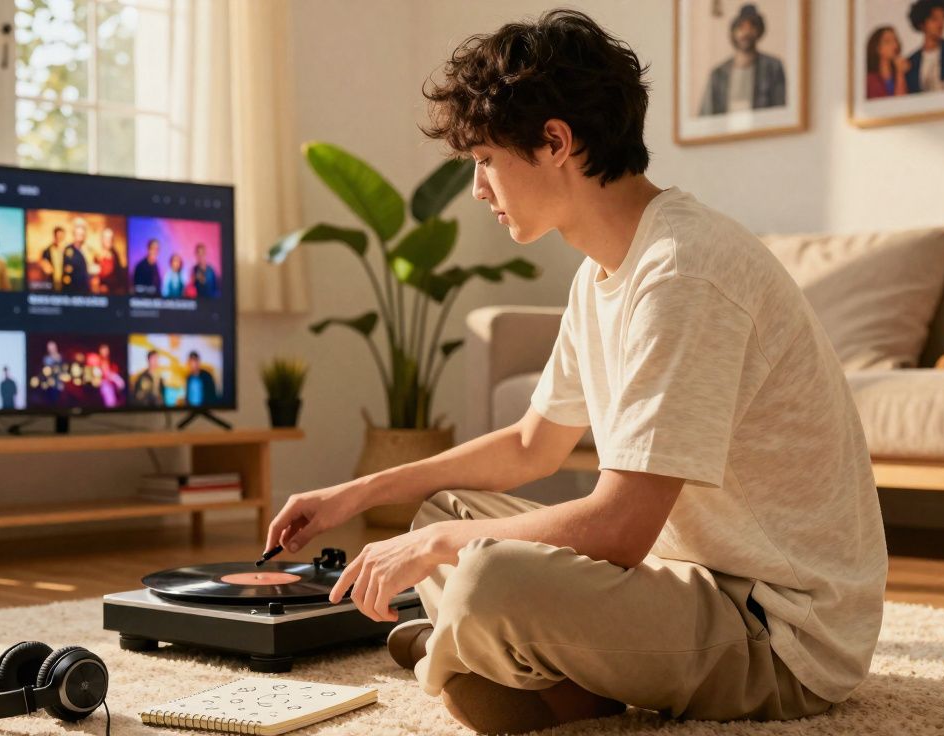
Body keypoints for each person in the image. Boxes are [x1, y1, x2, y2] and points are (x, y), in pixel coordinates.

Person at [264, 11, 886, 735]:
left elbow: (620, 528)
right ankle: (530, 668)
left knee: (485, 574)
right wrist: (360, 492)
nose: (477, 189)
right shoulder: (601, 275)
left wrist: (439, 554)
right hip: (684, 578)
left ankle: (480, 657)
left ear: (556, 141)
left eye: (486, 160)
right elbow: (534, 445)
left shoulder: (682, 270)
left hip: (777, 631)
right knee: (447, 512)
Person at [699, 3, 787, 115]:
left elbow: (780, 111)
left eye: (751, 27)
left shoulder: (773, 67)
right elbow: (705, 116)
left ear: (758, 31)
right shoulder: (718, 73)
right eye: (741, 27)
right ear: (733, 32)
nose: (746, 33)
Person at [865, 26, 911, 98]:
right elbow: (897, 103)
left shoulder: (901, 73)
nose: (894, 45)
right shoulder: (870, 79)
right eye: (887, 41)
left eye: (895, 40)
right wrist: (900, 72)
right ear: (877, 48)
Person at [61, 218, 92, 294]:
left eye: (82, 234)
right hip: (73, 289)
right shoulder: (69, 250)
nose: (81, 236)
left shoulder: (88, 250)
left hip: (85, 289)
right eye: (78, 234)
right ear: (74, 234)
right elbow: (67, 273)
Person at [94, 226, 129, 294]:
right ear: (102, 239)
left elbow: (119, 275)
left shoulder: (115, 255)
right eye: (106, 238)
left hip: (113, 291)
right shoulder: (97, 255)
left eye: (110, 238)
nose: (108, 240)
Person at [34, 226, 67, 291]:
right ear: (54, 236)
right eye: (58, 236)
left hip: (65, 283)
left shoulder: (68, 251)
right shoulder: (47, 251)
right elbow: (41, 263)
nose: (59, 239)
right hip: (51, 283)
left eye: (61, 237)